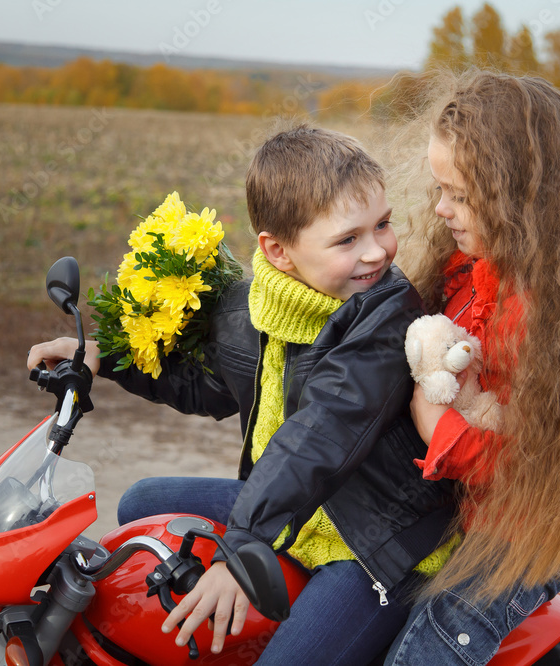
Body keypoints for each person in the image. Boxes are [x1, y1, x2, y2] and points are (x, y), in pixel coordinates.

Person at [28, 126, 456, 664]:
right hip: (300, 511)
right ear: (278, 252)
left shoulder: (386, 316)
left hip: (375, 542)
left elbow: (320, 434)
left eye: (383, 225)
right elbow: (209, 387)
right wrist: (103, 359)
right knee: (141, 503)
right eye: (348, 239)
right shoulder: (253, 308)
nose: (377, 251)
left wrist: (241, 550)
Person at [383, 70, 560, 664]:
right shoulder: (469, 270)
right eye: (439, 189)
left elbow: (536, 462)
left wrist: (437, 428)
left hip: (515, 542)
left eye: (459, 195)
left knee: (424, 652)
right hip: (454, 516)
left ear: (520, 197)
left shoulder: (556, 319)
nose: (440, 209)